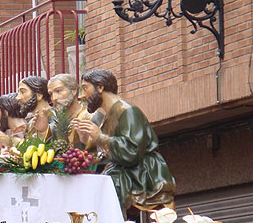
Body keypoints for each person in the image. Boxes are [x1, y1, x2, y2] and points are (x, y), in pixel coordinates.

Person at [73, 69, 176, 213]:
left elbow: (132, 151)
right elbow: (108, 152)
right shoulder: (110, 115)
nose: (82, 96)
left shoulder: (128, 111)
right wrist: (85, 140)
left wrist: (99, 137)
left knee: (101, 192)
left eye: (85, 88)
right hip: (123, 172)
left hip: (141, 175)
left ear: (100, 87)